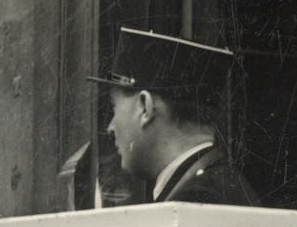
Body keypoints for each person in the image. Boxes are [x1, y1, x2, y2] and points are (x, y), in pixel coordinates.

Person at [89, 27, 259, 206]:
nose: (110, 127)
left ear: (145, 108)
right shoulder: (219, 184)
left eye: (114, 108)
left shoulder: (195, 199)